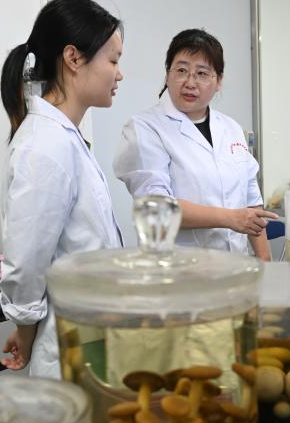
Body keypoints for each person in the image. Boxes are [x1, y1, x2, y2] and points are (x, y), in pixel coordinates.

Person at [0, 0, 124, 378]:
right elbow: (27, 262)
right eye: (113, 61)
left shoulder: (62, 138)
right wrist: (26, 329)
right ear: (73, 58)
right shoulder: (45, 145)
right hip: (73, 344)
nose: (119, 74)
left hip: (90, 332)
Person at [114, 29, 277, 259]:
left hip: (235, 268)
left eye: (202, 73)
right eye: (181, 71)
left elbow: (252, 204)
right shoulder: (145, 128)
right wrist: (231, 218)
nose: (190, 83)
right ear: (167, 73)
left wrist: (266, 263)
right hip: (179, 272)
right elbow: (159, 208)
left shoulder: (230, 128)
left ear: (218, 81)